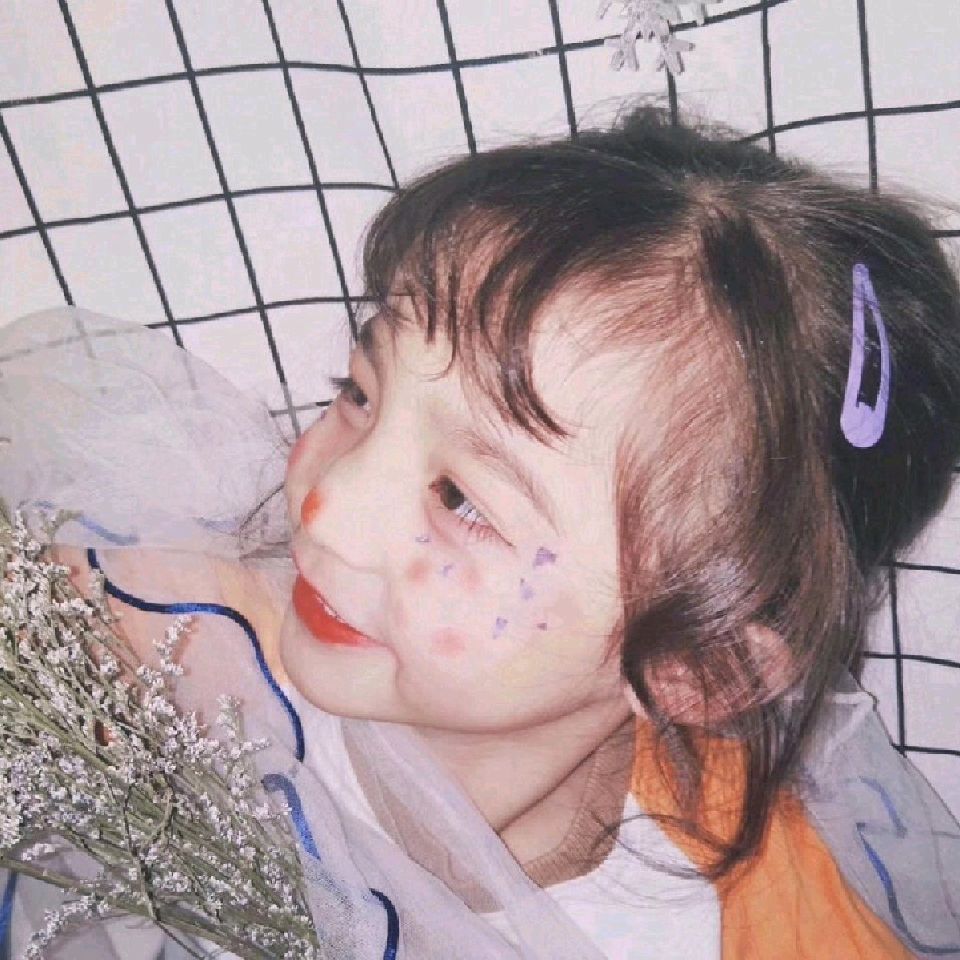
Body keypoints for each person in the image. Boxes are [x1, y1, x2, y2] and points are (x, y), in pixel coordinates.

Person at [1, 105, 959, 959]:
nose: (329, 505)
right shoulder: (151, 644)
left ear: (700, 666)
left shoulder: (754, 921)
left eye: (461, 499)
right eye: (359, 394)